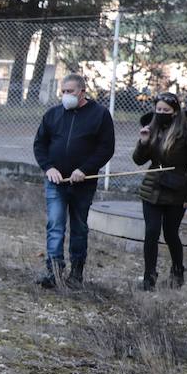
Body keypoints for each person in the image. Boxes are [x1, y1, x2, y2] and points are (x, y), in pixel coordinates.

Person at [31, 73, 116, 289]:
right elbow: (40, 144)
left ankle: (76, 273)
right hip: (56, 183)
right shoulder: (53, 114)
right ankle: (54, 272)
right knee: (55, 225)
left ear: (82, 92)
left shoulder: (100, 115)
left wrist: (85, 170)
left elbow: (106, 148)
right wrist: (48, 167)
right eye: (63, 92)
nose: (66, 96)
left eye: (70, 91)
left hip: (83, 184)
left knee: (79, 227)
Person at [132, 91, 187, 290]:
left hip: (176, 190)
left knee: (171, 233)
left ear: (175, 111)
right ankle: (149, 277)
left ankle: (177, 272)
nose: (161, 113)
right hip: (152, 188)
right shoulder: (151, 127)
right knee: (151, 232)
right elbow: (138, 160)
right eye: (158, 110)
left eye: (166, 110)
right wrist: (144, 142)